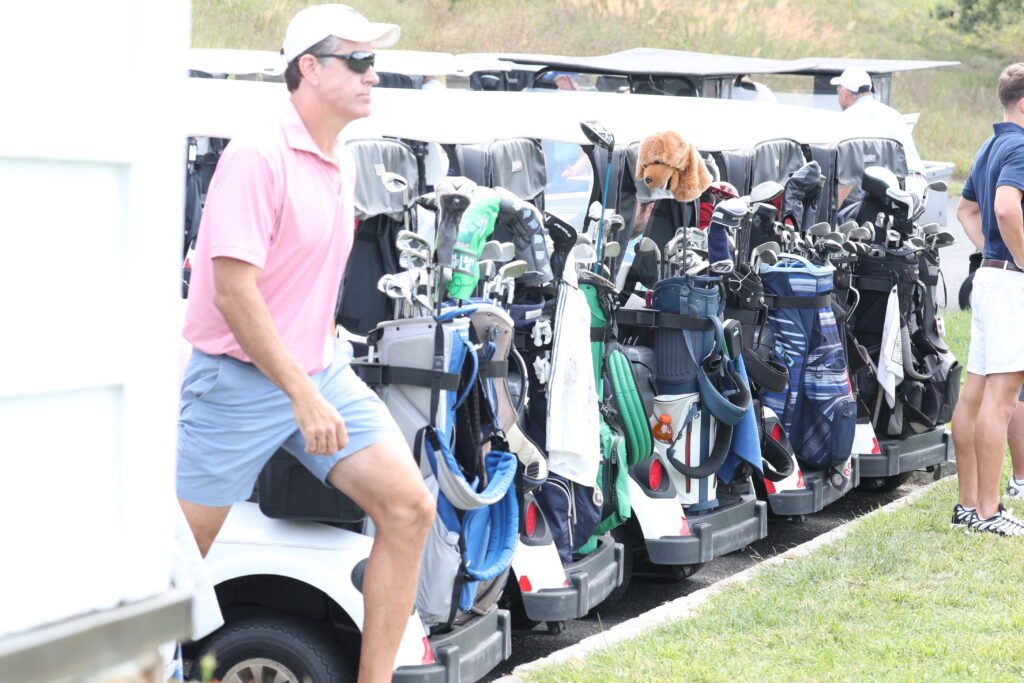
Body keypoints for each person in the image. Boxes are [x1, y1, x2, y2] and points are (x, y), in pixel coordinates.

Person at [176, 4, 435, 680]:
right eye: (359, 60)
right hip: (236, 385)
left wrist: (314, 374)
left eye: (375, 62)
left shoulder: (336, 158)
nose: (373, 75)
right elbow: (233, 294)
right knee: (169, 568)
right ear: (310, 69)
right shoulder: (257, 155)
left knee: (409, 508)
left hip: (318, 372)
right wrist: (300, 393)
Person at [950, 62, 1024, 536]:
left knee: (975, 397)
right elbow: (1003, 207)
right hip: (1011, 286)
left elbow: (966, 210)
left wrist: (993, 254)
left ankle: (968, 507)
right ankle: (990, 512)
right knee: (1002, 400)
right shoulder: (1021, 146)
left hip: (990, 280)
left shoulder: (989, 145)